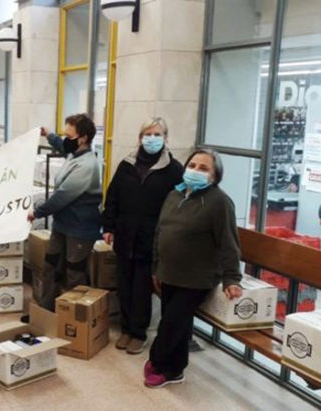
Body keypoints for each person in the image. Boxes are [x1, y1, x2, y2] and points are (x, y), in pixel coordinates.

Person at [145, 149, 243, 388]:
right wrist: (156, 267)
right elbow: (160, 232)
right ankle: (176, 369)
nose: (196, 171)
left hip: (197, 278)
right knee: (176, 323)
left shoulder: (219, 202)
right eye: (193, 165)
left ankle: (159, 363)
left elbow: (228, 242)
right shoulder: (174, 195)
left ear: (214, 176)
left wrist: (232, 278)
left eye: (204, 168)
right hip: (169, 273)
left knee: (171, 323)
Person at [102, 117, 183, 355]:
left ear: (166, 139)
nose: (152, 139)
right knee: (124, 284)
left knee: (142, 288)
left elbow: (177, 206)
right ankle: (126, 329)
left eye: (157, 134)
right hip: (125, 235)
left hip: (152, 239)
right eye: (148, 134)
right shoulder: (126, 165)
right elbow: (113, 195)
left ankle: (138, 333)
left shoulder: (174, 170)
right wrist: (108, 226)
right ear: (140, 137)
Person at [27, 114, 102, 311]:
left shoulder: (87, 164)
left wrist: (37, 212)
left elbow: (63, 196)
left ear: (83, 138)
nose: (66, 139)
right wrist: (49, 135)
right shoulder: (74, 153)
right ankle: (46, 311)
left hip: (80, 228)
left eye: (70, 135)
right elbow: (63, 146)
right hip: (62, 224)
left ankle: (72, 318)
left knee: (74, 273)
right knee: (50, 265)